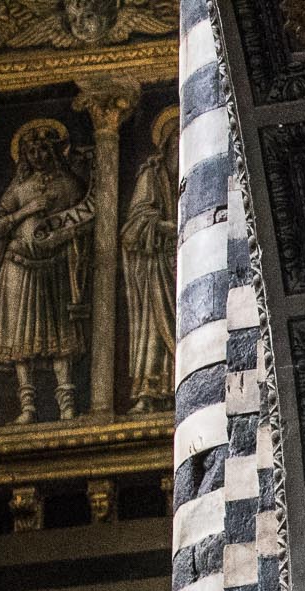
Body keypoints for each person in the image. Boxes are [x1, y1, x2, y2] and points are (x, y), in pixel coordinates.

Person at [0, 118, 92, 424]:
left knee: (59, 339)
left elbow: (88, 222)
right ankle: (27, 406)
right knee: (20, 340)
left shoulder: (68, 186)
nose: (37, 156)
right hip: (18, 267)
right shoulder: (19, 188)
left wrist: (61, 235)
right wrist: (25, 211)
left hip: (54, 269)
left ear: (54, 152)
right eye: (31, 151)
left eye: (43, 150)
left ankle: (66, 404)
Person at [123, 109, 178, 415]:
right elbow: (135, 223)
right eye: (177, 140)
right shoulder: (152, 175)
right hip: (156, 260)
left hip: (184, 259)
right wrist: (160, 225)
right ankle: (149, 392)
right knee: (153, 329)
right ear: (167, 144)